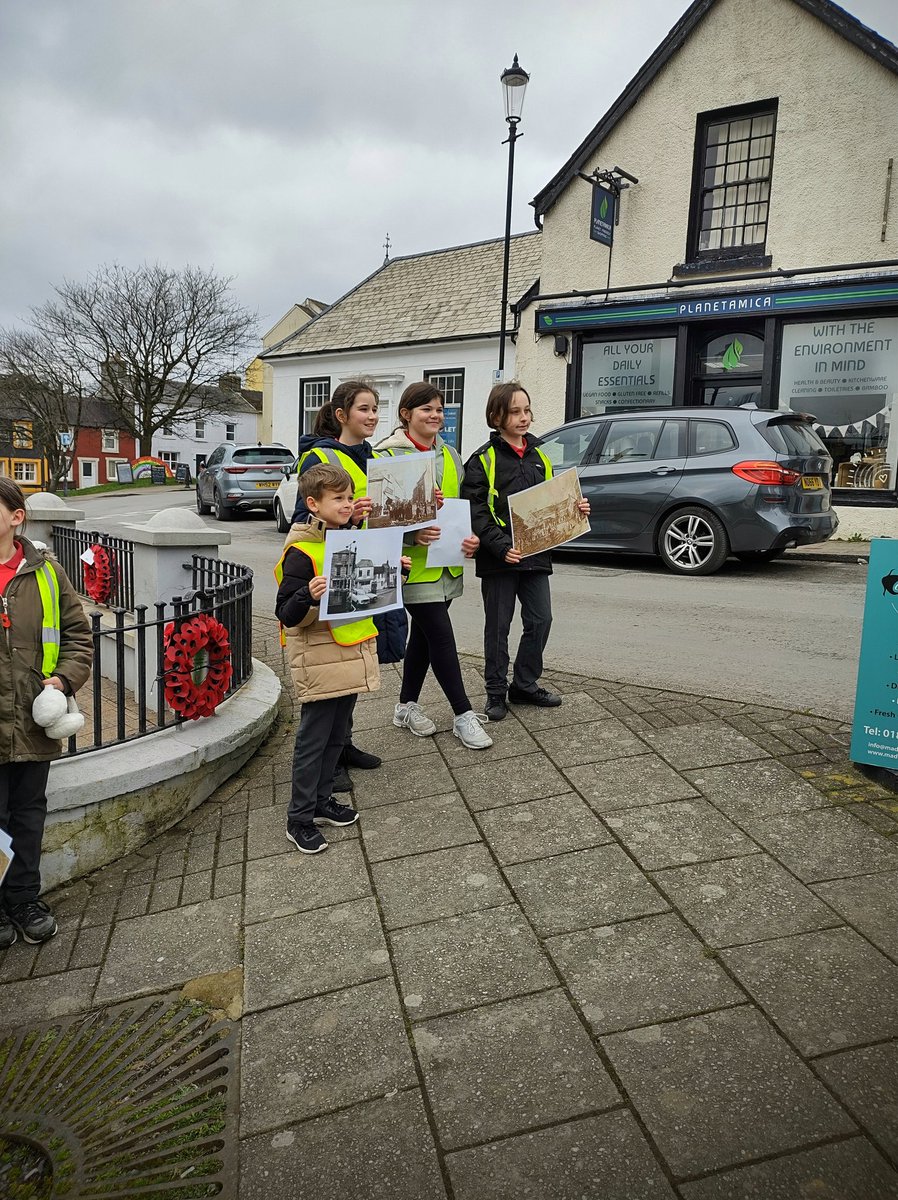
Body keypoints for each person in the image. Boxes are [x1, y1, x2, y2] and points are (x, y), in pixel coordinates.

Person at [274, 462, 410, 854]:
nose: (348, 504)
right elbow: (286, 614)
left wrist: (394, 574)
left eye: (350, 497)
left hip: (349, 650)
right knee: (313, 740)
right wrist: (308, 596)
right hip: (318, 656)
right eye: (339, 499)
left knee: (337, 736)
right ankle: (298, 819)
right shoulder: (300, 550)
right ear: (313, 504)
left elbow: (369, 594)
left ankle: (320, 803)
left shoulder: (354, 540)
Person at [462, 381, 590, 722]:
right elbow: (476, 511)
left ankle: (524, 684)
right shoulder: (482, 460)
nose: (524, 418)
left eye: (527, 410)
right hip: (499, 560)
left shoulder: (540, 456)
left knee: (541, 620)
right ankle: (495, 693)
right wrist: (502, 547)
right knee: (498, 627)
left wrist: (575, 509)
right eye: (515, 412)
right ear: (496, 417)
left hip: (535, 557)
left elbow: (550, 503)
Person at [0, 478, 92, 946]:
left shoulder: (47, 572)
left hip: (32, 721)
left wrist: (62, 681)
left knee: (28, 814)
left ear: (17, 517)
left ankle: (23, 899)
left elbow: (78, 637)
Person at [377, 382, 492, 750]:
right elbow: (378, 520)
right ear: (406, 414)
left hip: (447, 565)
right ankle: (463, 714)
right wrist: (413, 536)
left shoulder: (451, 456)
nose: (435, 415)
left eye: (439, 409)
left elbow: (459, 507)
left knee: (424, 640)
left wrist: (471, 538)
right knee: (441, 637)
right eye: (426, 408)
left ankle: (405, 706)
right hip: (412, 567)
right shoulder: (386, 457)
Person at [289, 381, 384, 781]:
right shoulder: (320, 457)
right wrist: (354, 516)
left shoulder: (375, 458)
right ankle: (330, 763)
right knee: (332, 674)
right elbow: (306, 520)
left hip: (363, 573)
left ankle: (343, 745)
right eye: (364, 408)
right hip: (331, 579)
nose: (373, 415)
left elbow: (375, 519)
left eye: (376, 408)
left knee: (352, 669)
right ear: (342, 415)